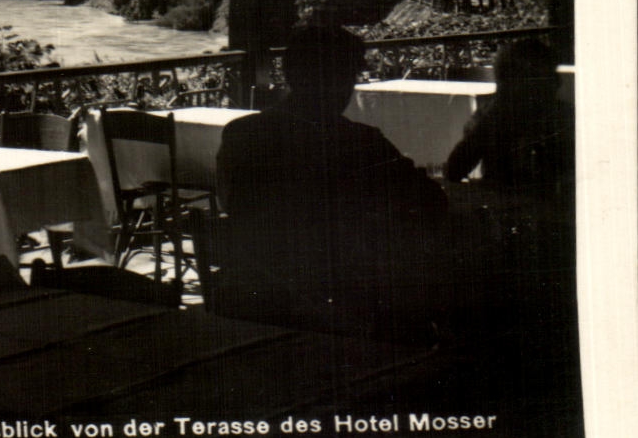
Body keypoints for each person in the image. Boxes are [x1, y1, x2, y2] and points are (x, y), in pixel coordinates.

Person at [213, 24, 448, 342]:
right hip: (335, 312)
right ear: (340, 81)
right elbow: (432, 202)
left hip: (248, 300)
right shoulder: (360, 142)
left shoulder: (240, 134)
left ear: (291, 74)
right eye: (350, 76)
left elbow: (229, 204)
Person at [445, 38, 572, 198]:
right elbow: (454, 170)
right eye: (548, 75)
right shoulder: (493, 118)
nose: (557, 82)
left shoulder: (563, 117)